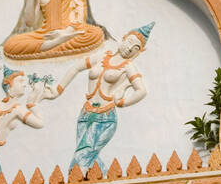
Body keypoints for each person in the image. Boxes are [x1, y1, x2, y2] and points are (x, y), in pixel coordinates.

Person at [51, 23, 153, 174]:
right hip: (85, 115)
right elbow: (75, 68)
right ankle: (108, 180)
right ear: (123, 39)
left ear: (139, 52)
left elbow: (141, 90)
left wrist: (123, 101)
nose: (130, 48)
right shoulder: (101, 57)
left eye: (136, 48)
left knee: (81, 157)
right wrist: (58, 89)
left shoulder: (128, 67)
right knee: (88, 157)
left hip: (105, 119)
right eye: (130, 42)